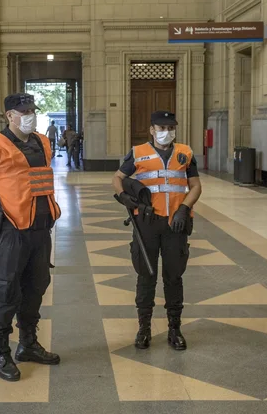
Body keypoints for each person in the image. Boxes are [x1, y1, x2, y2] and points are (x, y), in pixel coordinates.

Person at [0, 93, 61, 382]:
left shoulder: (43, 142)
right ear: (9, 115)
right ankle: (1, 352)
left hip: (40, 229)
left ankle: (28, 344)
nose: (29, 114)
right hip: (10, 231)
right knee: (6, 290)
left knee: (36, 286)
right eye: (23, 111)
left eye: (32, 110)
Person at [112, 111, 202, 352]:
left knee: (174, 276)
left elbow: (195, 185)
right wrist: (124, 197)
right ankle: (144, 328)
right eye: (161, 127)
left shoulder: (185, 152)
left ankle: (175, 329)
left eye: (170, 127)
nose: (166, 132)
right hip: (147, 223)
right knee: (146, 276)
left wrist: (185, 208)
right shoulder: (138, 152)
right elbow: (118, 177)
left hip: (176, 223)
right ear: (151, 130)